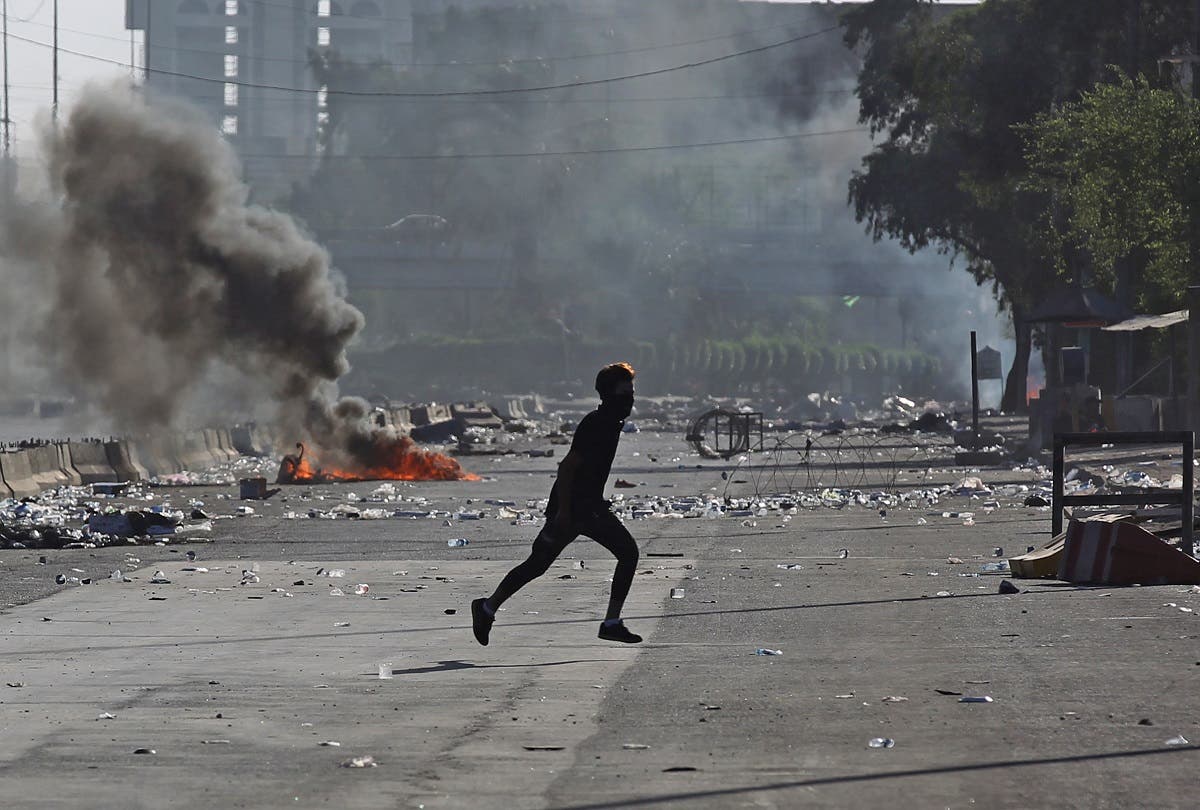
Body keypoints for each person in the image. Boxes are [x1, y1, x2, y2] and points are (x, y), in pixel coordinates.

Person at [471, 362, 642, 645]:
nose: (630, 400)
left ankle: (487, 608)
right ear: (608, 394)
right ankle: (486, 608)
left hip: (589, 508)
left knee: (544, 563)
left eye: (631, 393)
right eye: (625, 393)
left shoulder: (612, 422)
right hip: (575, 509)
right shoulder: (597, 424)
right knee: (541, 564)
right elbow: (567, 467)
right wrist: (563, 511)